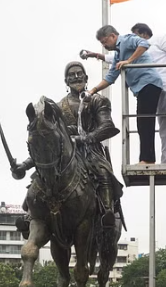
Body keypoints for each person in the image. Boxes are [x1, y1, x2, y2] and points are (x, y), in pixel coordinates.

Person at [13, 61, 123, 236]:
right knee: (41, 175)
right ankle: (30, 215)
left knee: (102, 171)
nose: (76, 77)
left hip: (90, 150)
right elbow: (47, 141)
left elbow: (107, 126)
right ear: (66, 81)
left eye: (79, 73)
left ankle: (107, 212)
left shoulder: (98, 100)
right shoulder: (56, 107)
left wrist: (84, 138)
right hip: (63, 152)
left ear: (86, 78)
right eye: (71, 75)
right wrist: (25, 166)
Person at [89, 25, 163, 165]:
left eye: (105, 41)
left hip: (148, 83)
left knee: (145, 122)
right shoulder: (118, 54)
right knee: (142, 123)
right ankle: (147, 158)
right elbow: (110, 77)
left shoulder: (126, 40)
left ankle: (147, 159)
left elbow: (144, 43)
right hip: (141, 88)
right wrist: (92, 90)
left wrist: (129, 61)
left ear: (113, 36)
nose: (104, 45)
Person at [131, 23, 166, 164]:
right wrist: (99, 56)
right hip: (156, 88)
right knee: (164, 128)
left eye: (135, 35)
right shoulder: (140, 49)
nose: (134, 39)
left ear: (143, 33)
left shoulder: (159, 38)